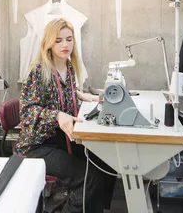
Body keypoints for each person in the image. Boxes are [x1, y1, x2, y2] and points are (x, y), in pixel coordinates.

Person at [15, 18, 116, 213]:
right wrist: (57, 116)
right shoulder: (38, 72)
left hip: (61, 138)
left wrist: (80, 95)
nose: (65, 45)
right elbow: (27, 112)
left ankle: (93, 208)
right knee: (88, 176)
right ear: (49, 43)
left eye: (69, 39)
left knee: (106, 162)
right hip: (38, 145)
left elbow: (60, 95)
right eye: (58, 40)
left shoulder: (68, 67)